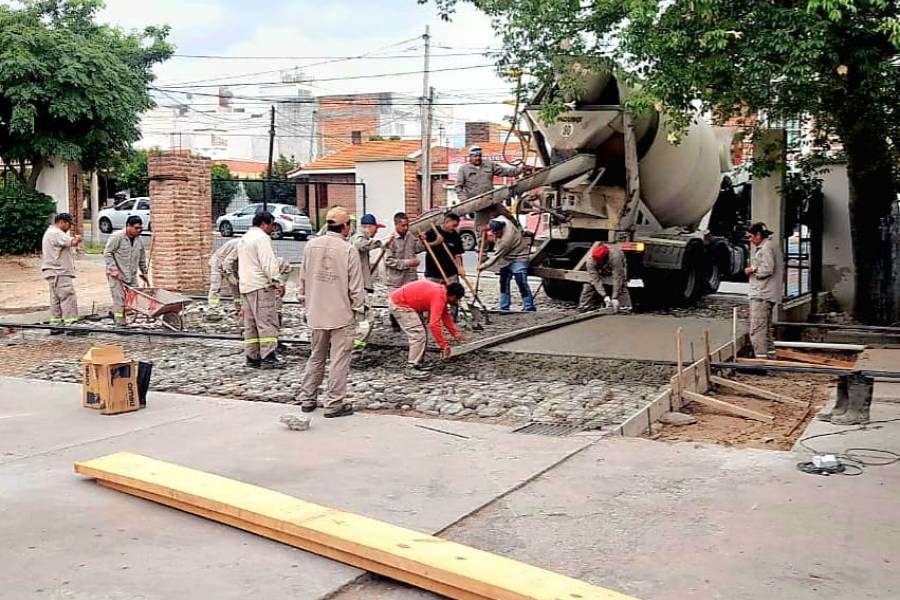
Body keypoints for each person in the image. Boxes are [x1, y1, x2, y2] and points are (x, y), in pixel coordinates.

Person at [297, 206, 367, 418]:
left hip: (316, 312)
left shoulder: (311, 246)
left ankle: (308, 398)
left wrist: (305, 304)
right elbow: (356, 287)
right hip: (340, 314)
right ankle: (334, 402)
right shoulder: (348, 250)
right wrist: (360, 312)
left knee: (316, 356)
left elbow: (303, 279)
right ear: (346, 227)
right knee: (339, 359)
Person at [389, 280, 466, 379]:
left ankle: (417, 363)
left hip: (403, 301)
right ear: (453, 296)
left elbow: (445, 316)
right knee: (418, 334)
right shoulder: (439, 296)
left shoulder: (441, 292)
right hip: (400, 304)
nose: (457, 302)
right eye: (457, 299)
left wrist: (455, 334)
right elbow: (434, 324)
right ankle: (411, 368)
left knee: (422, 333)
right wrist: (443, 346)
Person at [237, 211, 285, 369]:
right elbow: (268, 263)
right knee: (266, 322)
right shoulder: (262, 238)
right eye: (271, 225)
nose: (272, 228)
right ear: (264, 224)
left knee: (250, 324)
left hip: (246, 286)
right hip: (260, 287)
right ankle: (269, 356)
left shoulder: (244, 238)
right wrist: (277, 280)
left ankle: (252, 357)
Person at [479, 217, 535, 312]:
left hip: (519, 257)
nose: (496, 235)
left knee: (521, 281)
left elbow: (496, 256)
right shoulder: (502, 220)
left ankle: (529, 306)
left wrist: (482, 267)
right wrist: (486, 228)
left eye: (497, 233)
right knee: (503, 282)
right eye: (494, 233)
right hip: (506, 259)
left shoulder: (506, 240)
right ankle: (504, 307)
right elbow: (496, 219)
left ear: (502, 229)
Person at [745, 222, 784, 358]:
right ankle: (771, 357)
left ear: (758, 235)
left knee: (757, 330)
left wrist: (752, 270)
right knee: (766, 329)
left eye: (751, 236)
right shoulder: (772, 246)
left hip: (762, 293)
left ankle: (760, 362)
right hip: (769, 293)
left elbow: (767, 269)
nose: (750, 240)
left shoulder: (766, 248)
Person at [41, 213, 83, 333]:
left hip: (52, 271)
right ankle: (72, 326)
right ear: (62, 222)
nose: (69, 227)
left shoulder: (50, 233)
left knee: (56, 299)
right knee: (67, 297)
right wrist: (78, 238)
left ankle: (56, 325)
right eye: (69, 224)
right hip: (60, 271)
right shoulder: (56, 233)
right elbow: (73, 242)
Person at [104, 215, 148, 325]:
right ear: (128, 226)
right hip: (117, 275)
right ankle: (120, 322)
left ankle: (116, 313)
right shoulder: (117, 237)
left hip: (131, 274)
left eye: (140, 228)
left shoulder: (139, 240)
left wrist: (144, 271)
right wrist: (113, 269)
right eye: (136, 228)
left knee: (135, 297)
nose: (139, 230)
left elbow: (142, 257)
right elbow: (107, 253)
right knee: (120, 300)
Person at [383, 211, 423, 330]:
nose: (406, 228)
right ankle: (395, 324)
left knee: (411, 301)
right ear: (396, 225)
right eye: (403, 225)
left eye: (407, 225)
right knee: (395, 302)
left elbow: (417, 248)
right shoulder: (390, 240)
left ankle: (411, 323)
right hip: (396, 278)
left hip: (410, 277)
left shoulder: (410, 236)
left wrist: (422, 241)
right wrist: (407, 263)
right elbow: (388, 260)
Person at [454, 145, 524, 202]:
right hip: (475, 201)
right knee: (482, 217)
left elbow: (504, 171)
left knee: (507, 215)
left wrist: (520, 169)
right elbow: (458, 186)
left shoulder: (489, 165)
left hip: (490, 198)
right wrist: (464, 199)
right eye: (475, 156)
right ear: (470, 157)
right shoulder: (463, 169)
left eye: (479, 155)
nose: (478, 158)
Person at [577, 243, 632, 312]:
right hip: (600, 270)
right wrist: (604, 296)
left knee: (621, 284)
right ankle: (584, 306)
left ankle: (625, 307)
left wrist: (615, 297)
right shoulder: (590, 260)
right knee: (589, 284)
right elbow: (595, 279)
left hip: (614, 269)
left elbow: (617, 277)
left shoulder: (616, 257)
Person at [421, 212, 464, 285]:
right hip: (433, 272)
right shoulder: (433, 231)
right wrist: (436, 242)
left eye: (456, 226)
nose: (455, 228)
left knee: (452, 294)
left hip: (451, 273)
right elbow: (424, 247)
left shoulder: (455, 236)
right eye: (454, 225)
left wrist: (460, 267)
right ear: (447, 222)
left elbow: (458, 254)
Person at [351, 213, 385, 295]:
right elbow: (359, 245)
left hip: (361, 283)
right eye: (376, 228)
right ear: (369, 227)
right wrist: (379, 243)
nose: (376, 231)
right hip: (358, 284)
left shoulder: (363, 237)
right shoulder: (358, 237)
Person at [208, 238, 241, 307]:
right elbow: (227, 262)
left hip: (231, 266)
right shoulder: (241, 245)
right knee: (215, 287)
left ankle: (238, 306)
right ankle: (213, 307)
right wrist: (230, 275)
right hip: (217, 265)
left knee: (236, 287)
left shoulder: (247, 244)